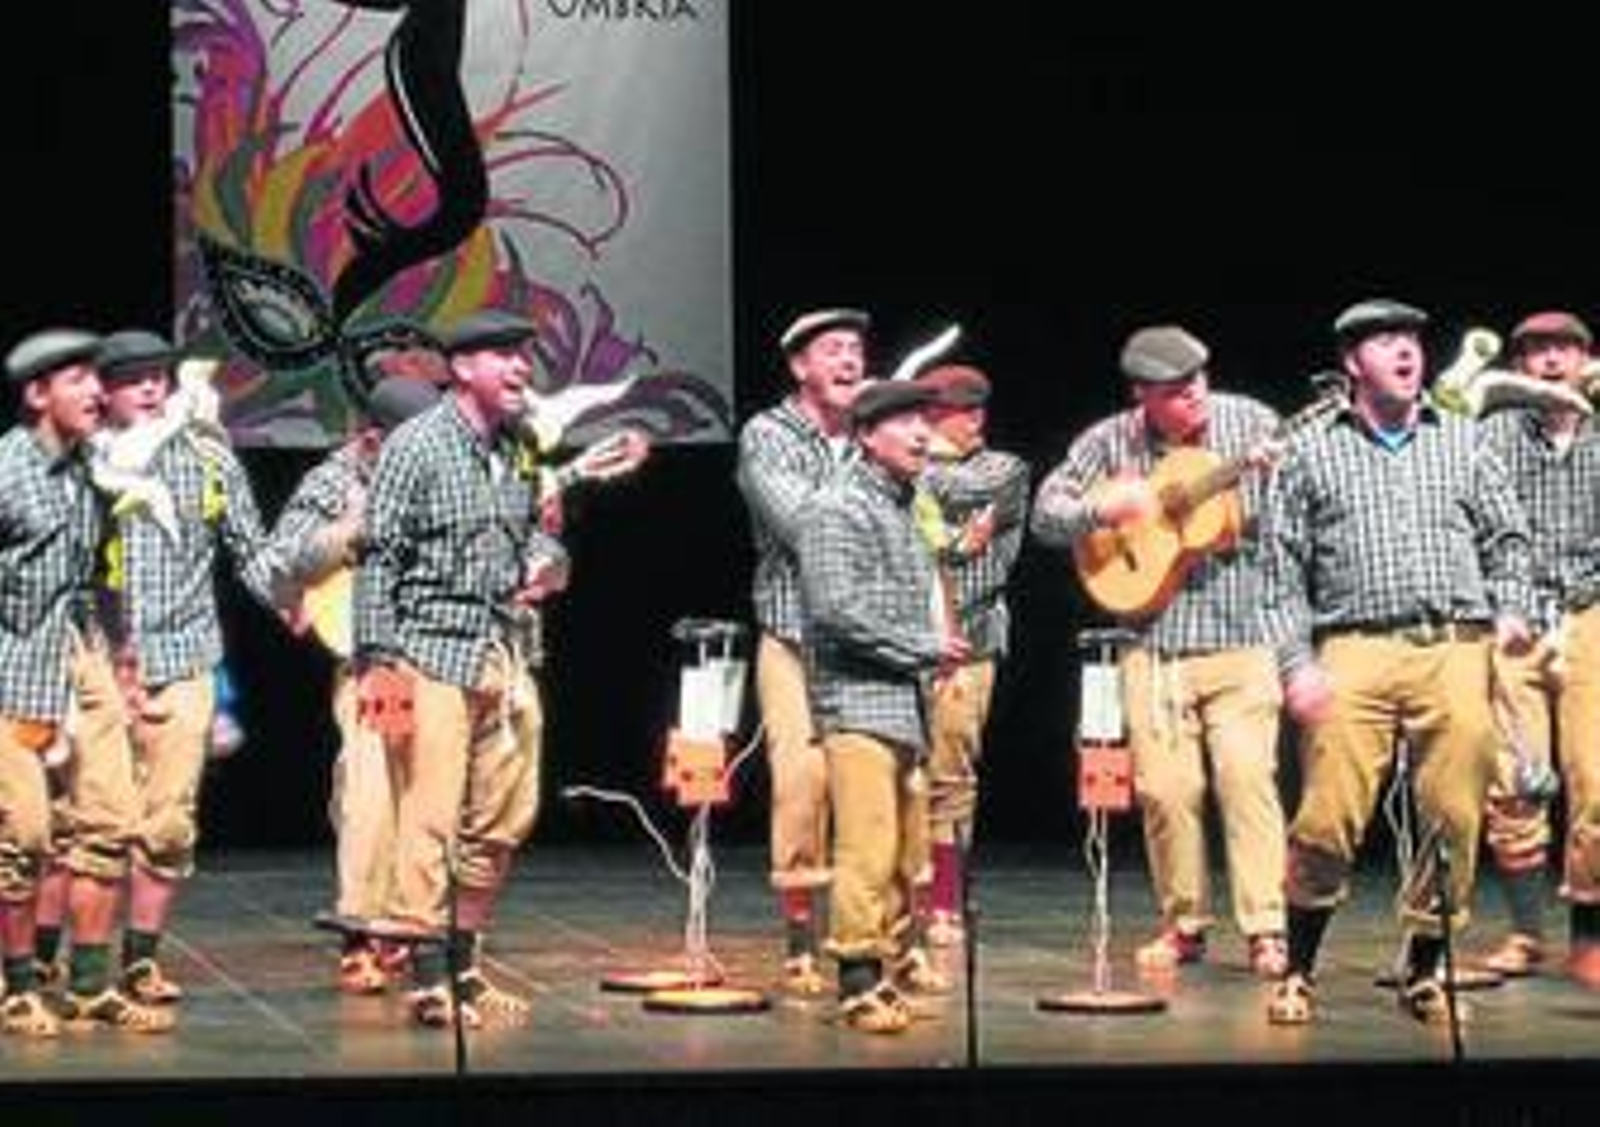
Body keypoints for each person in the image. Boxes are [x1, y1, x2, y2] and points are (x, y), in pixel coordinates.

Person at [1257, 298, 1535, 1025]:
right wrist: (1296, 665)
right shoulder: (1311, 452)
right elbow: (1278, 573)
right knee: (1327, 818)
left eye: (1411, 338)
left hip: (1453, 644)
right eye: (1386, 341)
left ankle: (1422, 967)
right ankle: (1298, 969)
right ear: (1353, 361)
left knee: (1455, 814)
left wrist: (1511, 606)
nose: (1407, 351)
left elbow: (1508, 539)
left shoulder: (1463, 441)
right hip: (1353, 646)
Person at [1030, 325, 1291, 978]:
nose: (1193, 394)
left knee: (1247, 779)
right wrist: (1102, 508)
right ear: (1141, 394)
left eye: (1198, 379)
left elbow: (1295, 516)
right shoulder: (1108, 440)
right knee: (1166, 791)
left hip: (1242, 634)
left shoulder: (1252, 423)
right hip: (1153, 641)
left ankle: (1267, 926)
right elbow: (1046, 515)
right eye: (1174, 389)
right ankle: (1184, 922)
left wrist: (1264, 484)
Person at [353, 308, 570, 1029]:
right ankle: (427, 976)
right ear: (463, 367)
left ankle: (466, 966)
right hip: (430, 651)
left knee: (504, 817)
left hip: (502, 650)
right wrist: (378, 660)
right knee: (431, 815)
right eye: (504, 355)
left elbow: (536, 537)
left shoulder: (518, 445)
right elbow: (378, 555)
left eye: (523, 355)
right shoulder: (416, 444)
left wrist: (547, 563)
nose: (520, 367)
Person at [83, 329, 277, 1007]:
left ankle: (139, 960)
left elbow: (254, 551)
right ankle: (60, 966)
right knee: (85, 825)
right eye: (131, 377)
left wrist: (299, 597)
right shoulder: (81, 462)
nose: (148, 386)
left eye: (157, 376)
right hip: (97, 664)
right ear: (103, 390)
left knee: (166, 825)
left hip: (184, 659)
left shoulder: (208, 458)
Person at [0, 328, 173, 1036]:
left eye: (98, 379)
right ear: (37, 394)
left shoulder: (87, 469)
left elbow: (97, 573)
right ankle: (17, 987)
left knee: (110, 819)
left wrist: (120, 657)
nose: (98, 391)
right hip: (14, 663)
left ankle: (90, 985)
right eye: (78, 379)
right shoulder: (7, 469)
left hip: (82, 655)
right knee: (22, 832)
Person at [261, 366, 444, 995]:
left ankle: (409, 921)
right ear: (371, 440)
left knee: (428, 791)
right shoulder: (334, 479)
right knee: (370, 789)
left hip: (438, 653)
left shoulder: (444, 471)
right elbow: (282, 562)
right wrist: (352, 529)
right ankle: (362, 930)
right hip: (372, 658)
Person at [795, 378, 970, 1034]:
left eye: (924, 420)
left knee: (903, 847)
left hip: (903, 700)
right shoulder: (836, 506)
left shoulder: (904, 505)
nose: (922, 433)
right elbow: (835, 608)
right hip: (857, 698)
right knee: (866, 844)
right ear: (867, 435)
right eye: (905, 422)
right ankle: (857, 978)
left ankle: (890, 967)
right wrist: (925, 647)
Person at [734, 307, 869, 996]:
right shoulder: (769, 433)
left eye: (856, 349)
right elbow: (799, 523)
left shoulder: (878, 430)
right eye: (833, 349)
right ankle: (800, 936)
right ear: (799, 366)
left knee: (877, 785)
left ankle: (876, 936)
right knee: (802, 782)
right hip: (794, 634)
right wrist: (868, 494)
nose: (849, 360)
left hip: (869, 641)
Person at [1474, 310, 1600, 986]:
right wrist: (1510, 605)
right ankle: (1525, 934)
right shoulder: (1494, 432)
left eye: (1564, 349)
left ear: (1587, 358)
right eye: (1537, 351)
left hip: (1589, 612)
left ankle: (1589, 936)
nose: (1551, 360)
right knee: (1516, 780)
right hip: (1515, 618)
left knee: (1596, 779)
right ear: (1520, 365)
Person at [906, 363, 1030, 947]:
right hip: (903, 638)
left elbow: (954, 491)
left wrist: (909, 452)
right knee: (901, 773)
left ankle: (945, 903)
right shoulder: (902, 466)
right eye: (959, 411)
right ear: (930, 414)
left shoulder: (1002, 470)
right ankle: (906, 892)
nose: (975, 419)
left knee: (951, 774)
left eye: (979, 408)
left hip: (971, 639)